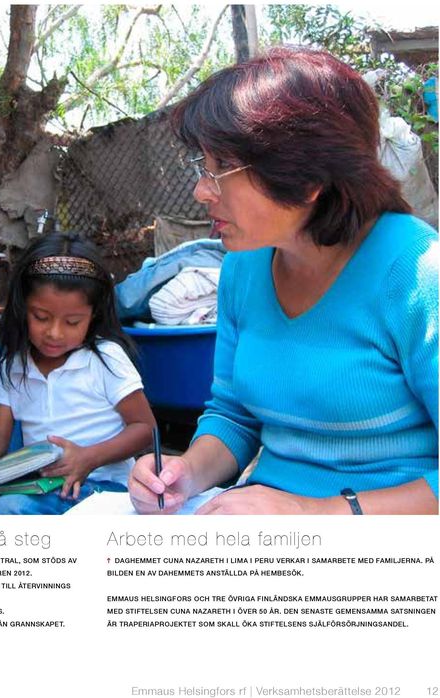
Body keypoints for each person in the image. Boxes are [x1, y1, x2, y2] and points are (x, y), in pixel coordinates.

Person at [129, 47, 438, 515]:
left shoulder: (418, 273)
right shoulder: (243, 267)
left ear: (306, 177)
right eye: (202, 166)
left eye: (220, 169)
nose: (201, 190)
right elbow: (234, 414)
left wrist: (313, 513)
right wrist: (184, 473)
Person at [0, 234, 155, 515]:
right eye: (41, 317)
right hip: (41, 485)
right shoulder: (13, 365)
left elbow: (145, 429)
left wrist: (87, 458)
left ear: (92, 316)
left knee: (10, 510)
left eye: (72, 322)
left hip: (103, 484)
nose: (54, 332)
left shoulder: (104, 359)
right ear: (22, 309)